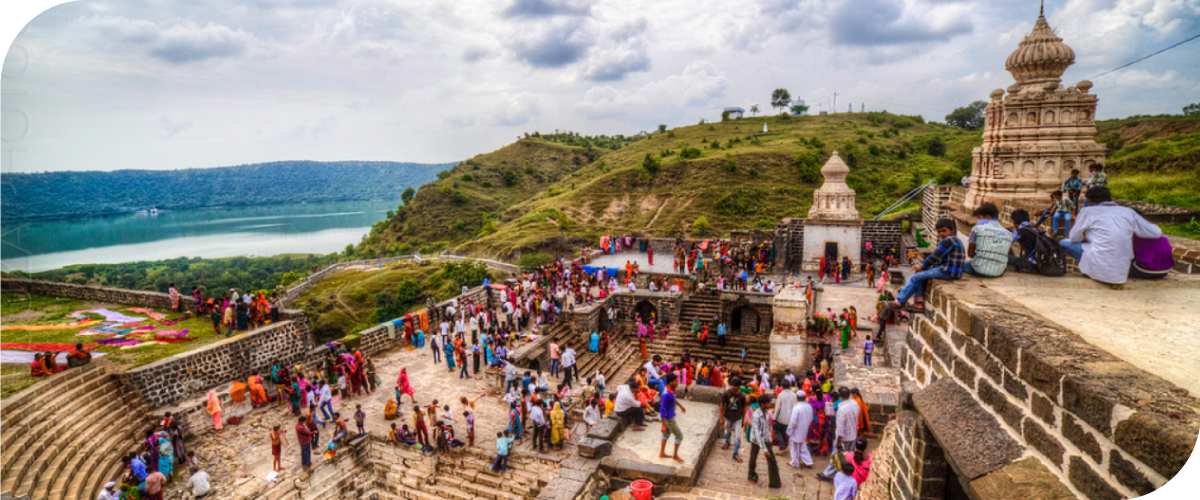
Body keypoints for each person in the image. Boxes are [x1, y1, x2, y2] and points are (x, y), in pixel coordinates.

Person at [1061, 187, 1163, 286]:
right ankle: (1096, 266)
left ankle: (1095, 268)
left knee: (1063, 243)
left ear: (1090, 201)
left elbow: (1074, 238)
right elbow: (1155, 232)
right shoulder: (1128, 212)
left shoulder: (1087, 211)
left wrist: (1085, 238)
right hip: (1121, 272)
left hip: (1099, 259)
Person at [894, 219, 963, 310]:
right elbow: (942, 258)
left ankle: (899, 301)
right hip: (946, 268)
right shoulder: (953, 239)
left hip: (948, 271)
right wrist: (930, 267)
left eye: (944, 231)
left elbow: (935, 256)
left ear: (952, 230)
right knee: (918, 274)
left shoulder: (949, 240)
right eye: (939, 232)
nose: (941, 234)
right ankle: (918, 302)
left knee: (916, 277)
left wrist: (923, 266)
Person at [965, 203, 1012, 278]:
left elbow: (970, 253)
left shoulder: (977, 229)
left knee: (960, 265)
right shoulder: (1009, 234)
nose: (978, 221)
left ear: (987, 217)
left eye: (980, 218)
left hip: (978, 270)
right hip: (998, 272)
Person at [747, 395, 780, 488]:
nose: (769, 405)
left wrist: (769, 439)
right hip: (756, 440)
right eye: (767, 403)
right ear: (762, 404)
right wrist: (764, 450)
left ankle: (774, 481)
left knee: (772, 460)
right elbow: (757, 433)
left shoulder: (767, 413)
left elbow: (767, 427)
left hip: (765, 438)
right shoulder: (756, 415)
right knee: (753, 458)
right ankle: (751, 474)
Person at [658, 373, 687, 462]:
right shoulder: (666, 394)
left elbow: (674, 399)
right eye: (675, 381)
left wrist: (680, 406)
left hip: (670, 416)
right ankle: (675, 456)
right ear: (670, 382)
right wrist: (663, 425)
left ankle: (662, 453)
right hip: (669, 418)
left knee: (666, 434)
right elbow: (662, 409)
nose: (677, 383)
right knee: (679, 436)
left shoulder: (671, 390)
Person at [720, 378, 746, 462]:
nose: (734, 389)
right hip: (728, 416)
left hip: (738, 417)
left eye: (736, 387)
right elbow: (722, 405)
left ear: (739, 387)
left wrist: (743, 419)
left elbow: (744, 408)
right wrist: (721, 417)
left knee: (737, 437)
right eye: (733, 387)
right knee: (727, 431)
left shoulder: (742, 396)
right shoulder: (727, 394)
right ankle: (727, 442)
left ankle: (735, 453)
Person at [787, 390, 814, 468]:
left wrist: (789, 431)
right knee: (802, 445)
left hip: (796, 430)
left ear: (797, 398)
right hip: (805, 429)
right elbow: (811, 418)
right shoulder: (809, 407)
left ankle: (795, 462)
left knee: (794, 446)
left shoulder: (797, 408)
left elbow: (793, 422)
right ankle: (808, 461)